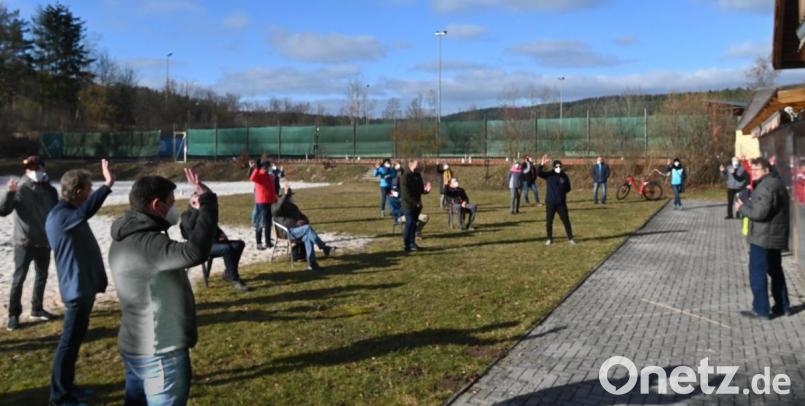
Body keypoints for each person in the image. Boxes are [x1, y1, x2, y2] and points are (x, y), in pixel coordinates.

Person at [109, 169, 214, 405]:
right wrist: (209, 202)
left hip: (134, 344)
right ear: (157, 205)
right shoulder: (150, 244)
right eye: (171, 203)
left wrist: (195, 213)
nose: (174, 207)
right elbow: (195, 251)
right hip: (160, 351)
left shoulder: (127, 235)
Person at [46, 160, 115, 405]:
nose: (90, 192)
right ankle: (59, 396)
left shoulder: (67, 213)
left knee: (73, 343)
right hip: (75, 290)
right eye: (88, 188)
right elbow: (86, 211)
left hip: (83, 287)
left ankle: (68, 386)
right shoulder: (62, 215)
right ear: (77, 192)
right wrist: (107, 185)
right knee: (68, 344)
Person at [0, 155, 59, 331]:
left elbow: (56, 214)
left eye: (36, 167)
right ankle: (13, 315)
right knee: (19, 279)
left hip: (44, 242)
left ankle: (37, 308)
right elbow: (3, 211)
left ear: (43, 169)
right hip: (24, 242)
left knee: (42, 276)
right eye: (29, 168)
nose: (33, 171)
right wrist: (9, 193)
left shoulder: (51, 190)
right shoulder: (19, 188)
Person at [736, 158, 791, 320]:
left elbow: (759, 214)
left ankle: (761, 309)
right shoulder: (777, 183)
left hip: (763, 237)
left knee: (757, 273)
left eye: (757, 169)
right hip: (773, 236)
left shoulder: (766, 187)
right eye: (752, 170)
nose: (753, 173)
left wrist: (743, 207)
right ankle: (782, 306)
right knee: (775, 271)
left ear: (767, 169)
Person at [181, 193, 248, 292]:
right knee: (226, 249)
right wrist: (196, 210)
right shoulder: (186, 215)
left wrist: (221, 234)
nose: (202, 203)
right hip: (200, 246)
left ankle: (228, 273)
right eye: (198, 200)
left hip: (214, 243)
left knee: (239, 244)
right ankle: (235, 280)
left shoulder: (205, 213)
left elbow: (214, 227)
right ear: (192, 202)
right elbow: (189, 227)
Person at [271, 181, 337, 271]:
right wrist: (285, 196)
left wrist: (303, 221)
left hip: (297, 230)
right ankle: (324, 248)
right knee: (307, 229)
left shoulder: (293, 207)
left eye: (290, 195)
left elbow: (302, 216)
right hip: (287, 233)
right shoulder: (276, 206)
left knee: (307, 236)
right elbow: (276, 210)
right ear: (283, 197)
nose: (291, 197)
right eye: (289, 196)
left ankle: (312, 263)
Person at [537, 155, 575, 245]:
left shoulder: (564, 176)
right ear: (554, 167)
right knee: (549, 221)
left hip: (561, 203)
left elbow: (568, 188)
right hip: (550, 202)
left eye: (559, 166)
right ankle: (549, 238)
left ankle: (570, 238)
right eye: (556, 166)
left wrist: (561, 193)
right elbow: (539, 173)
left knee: (566, 220)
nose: (558, 168)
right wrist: (541, 165)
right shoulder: (550, 174)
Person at [400, 160, 432, 252]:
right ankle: (407, 245)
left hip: (417, 205)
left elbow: (420, 190)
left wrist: (426, 190)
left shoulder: (417, 175)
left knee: (414, 224)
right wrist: (415, 203)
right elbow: (406, 193)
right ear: (412, 164)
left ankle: (412, 243)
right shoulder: (405, 176)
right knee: (409, 223)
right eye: (417, 164)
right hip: (408, 205)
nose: (419, 165)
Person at [249, 159, 278, 249]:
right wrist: (257, 169)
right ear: (265, 167)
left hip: (269, 201)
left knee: (268, 223)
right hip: (262, 202)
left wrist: (274, 198)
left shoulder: (268, 175)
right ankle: (259, 243)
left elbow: (271, 188)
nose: (270, 167)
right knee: (260, 223)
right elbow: (252, 178)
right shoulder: (260, 174)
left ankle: (268, 242)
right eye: (269, 166)